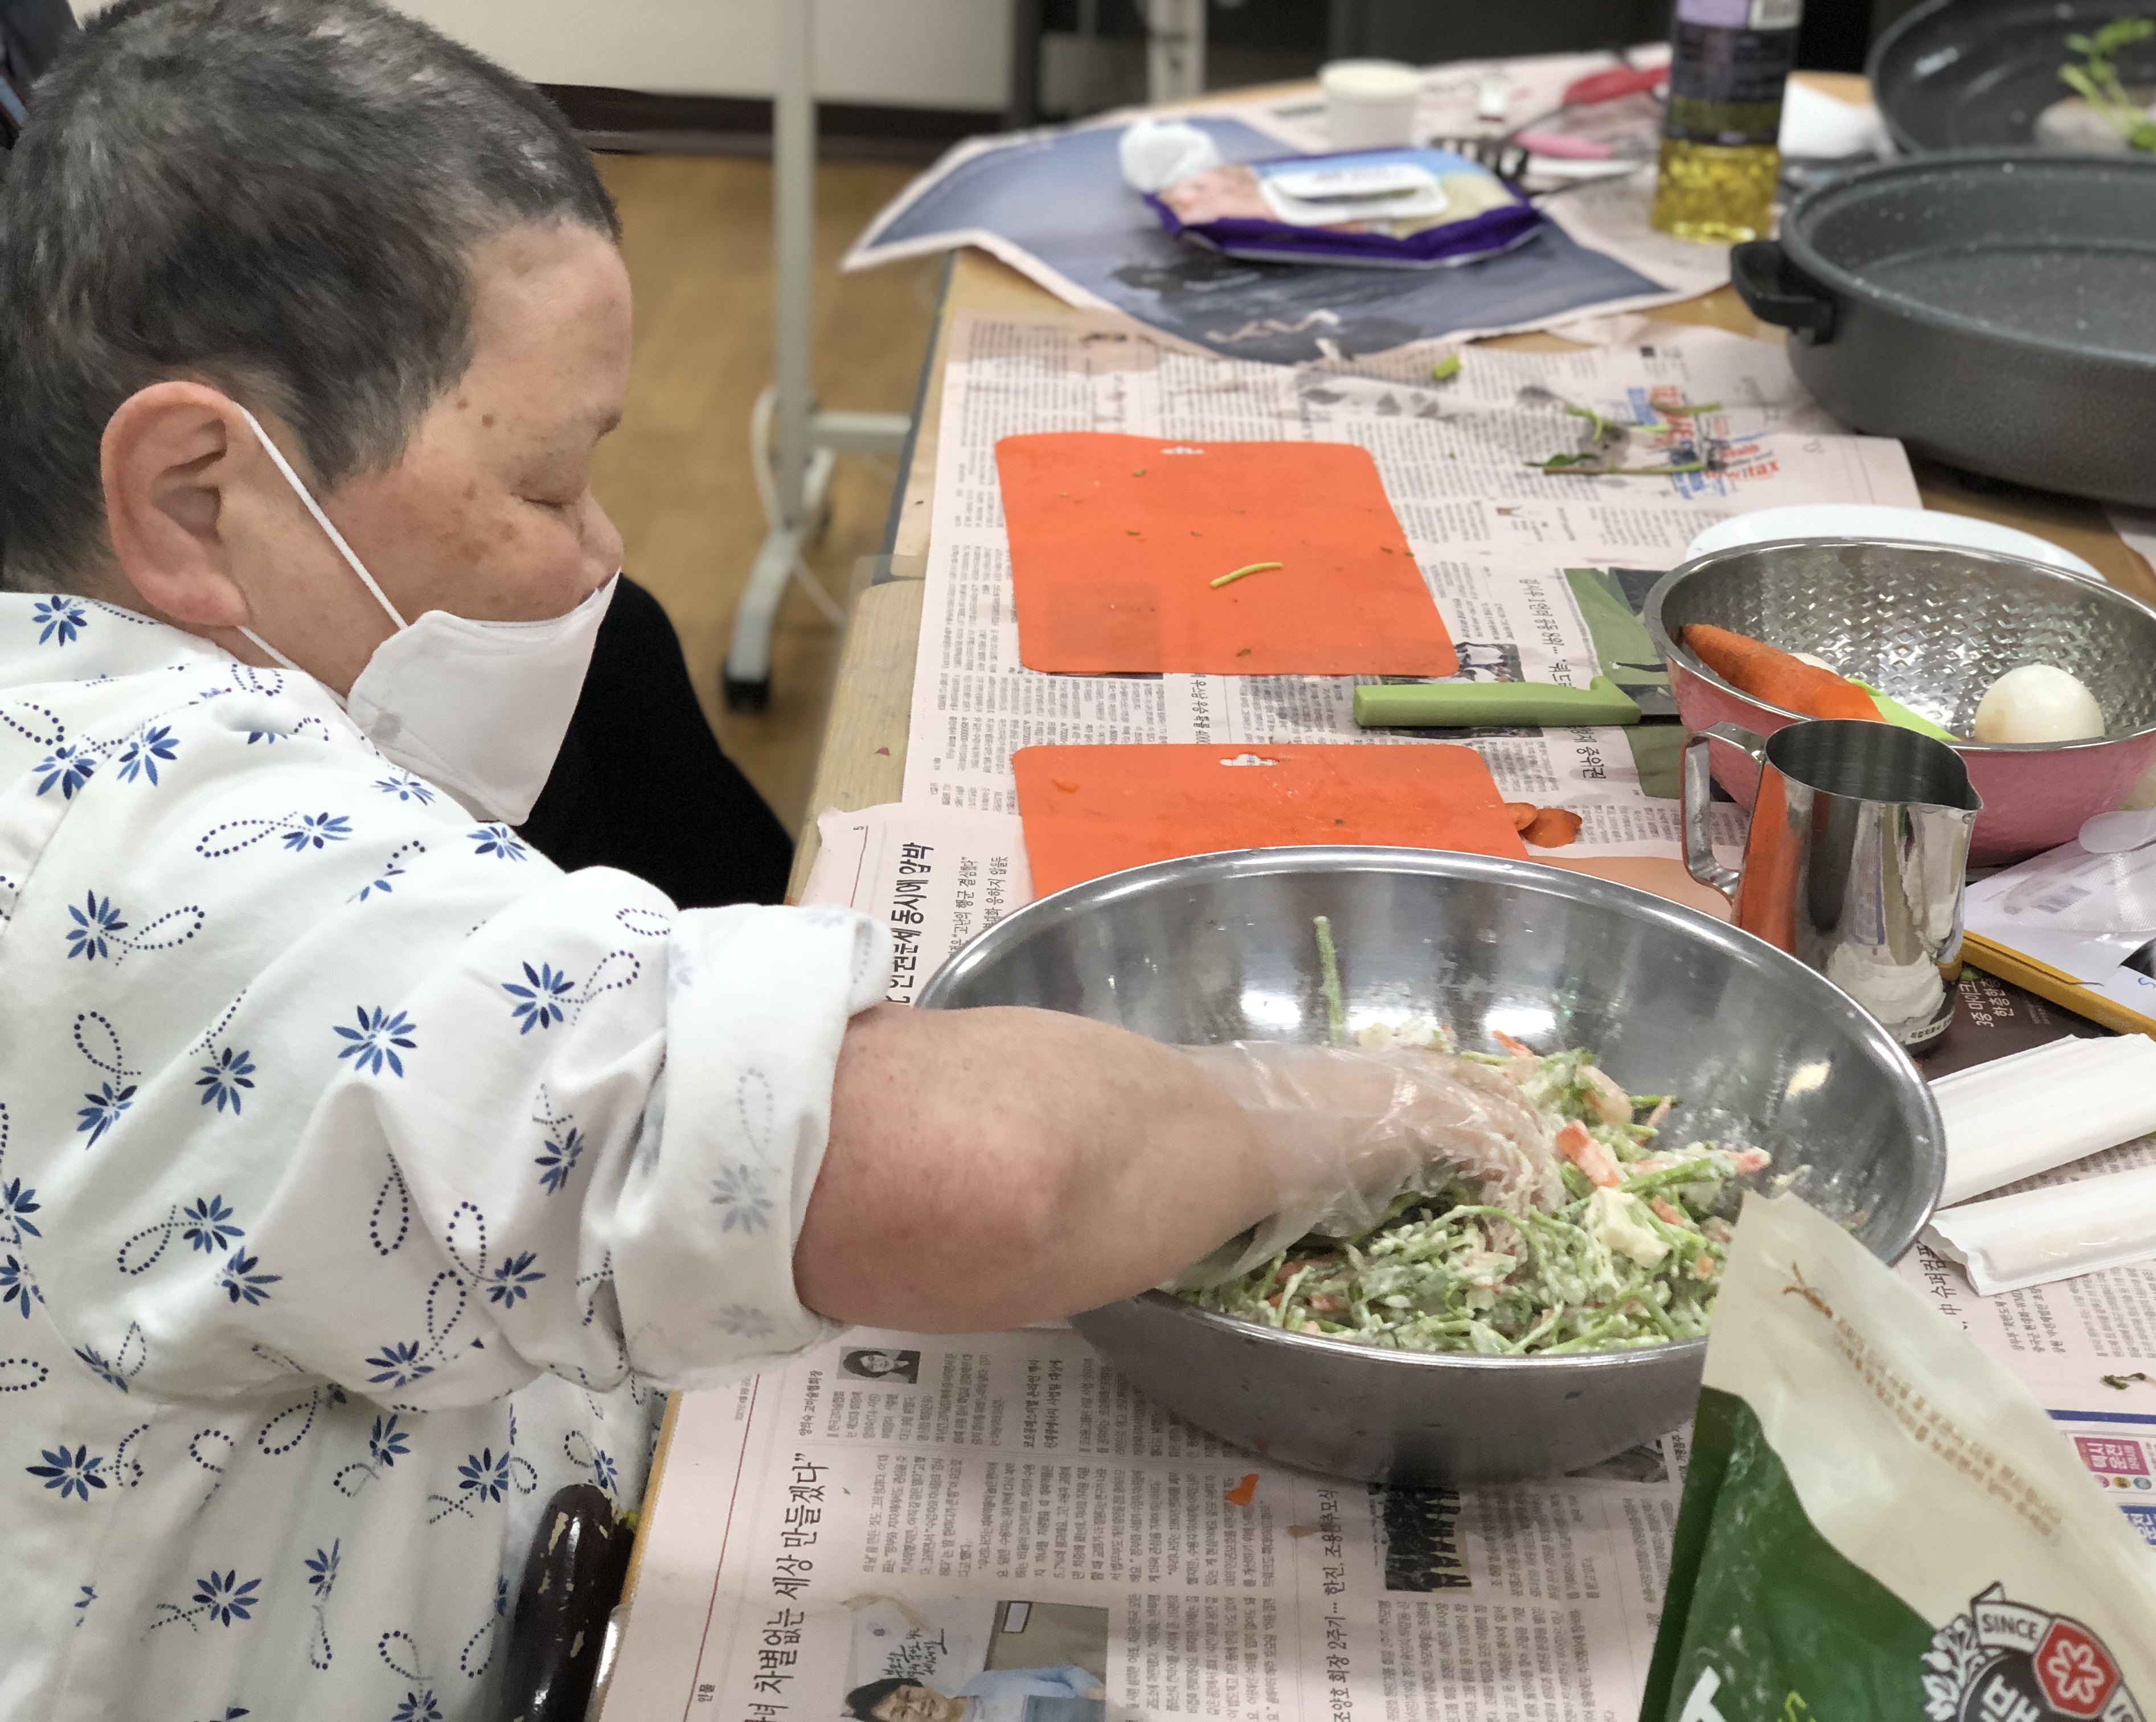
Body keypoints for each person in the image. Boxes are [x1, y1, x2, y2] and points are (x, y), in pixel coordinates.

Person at [0, 3, 1532, 1717]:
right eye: (549, 485)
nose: (601, 550)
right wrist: (1349, 1113)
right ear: (197, 497)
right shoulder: (164, 868)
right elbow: (980, 1171)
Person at [849, 1666, 1104, 1722]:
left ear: (916, 1684)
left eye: (907, 1695)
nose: (917, 1705)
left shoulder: (986, 1680)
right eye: (903, 1714)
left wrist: (1090, 1690)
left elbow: (1064, 1671)